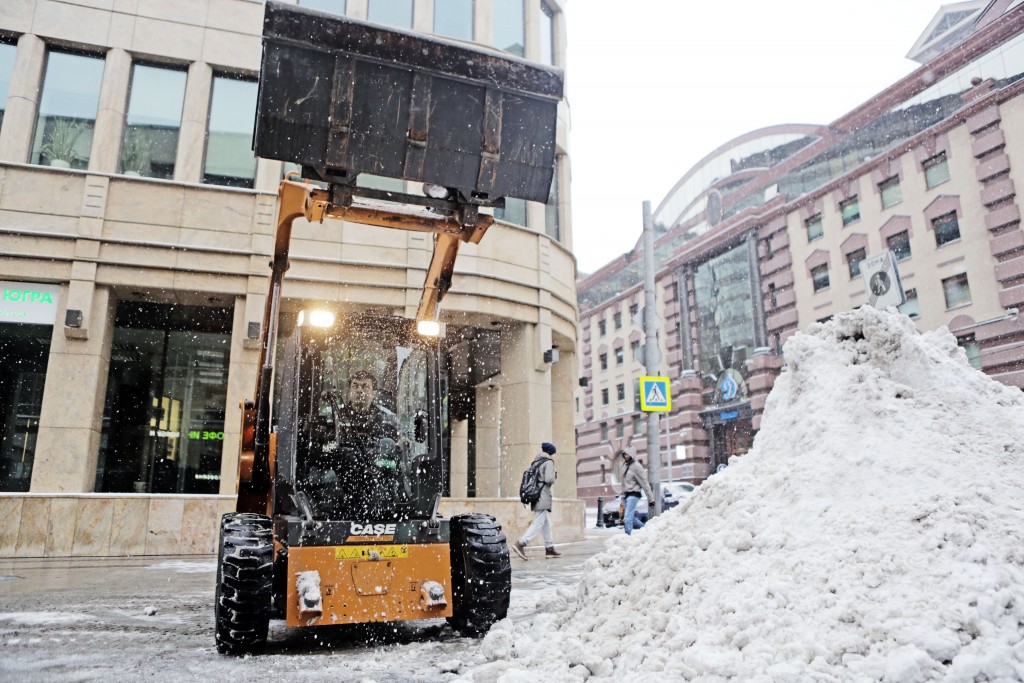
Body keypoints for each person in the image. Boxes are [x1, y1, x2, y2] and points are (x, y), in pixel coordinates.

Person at [318, 370, 405, 518]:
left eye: (365, 387)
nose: (360, 391)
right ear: (349, 391)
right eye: (355, 386)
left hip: (377, 479)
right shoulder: (333, 418)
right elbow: (323, 448)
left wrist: (402, 443)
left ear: (373, 392)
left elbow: (398, 450)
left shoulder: (388, 419)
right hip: (340, 478)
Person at [511, 442, 561, 560]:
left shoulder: (537, 462)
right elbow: (549, 479)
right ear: (550, 453)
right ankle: (521, 543)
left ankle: (549, 548)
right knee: (539, 522)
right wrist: (554, 475)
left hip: (536, 494)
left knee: (546, 523)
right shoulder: (548, 462)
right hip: (543, 495)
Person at [617, 447, 654, 535]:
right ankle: (646, 530)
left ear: (632, 455)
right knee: (631, 518)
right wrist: (622, 494)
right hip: (625, 495)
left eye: (627, 454)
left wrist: (651, 499)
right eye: (624, 454)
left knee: (627, 518)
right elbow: (623, 482)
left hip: (633, 494)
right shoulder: (625, 465)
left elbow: (644, 483)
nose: (625, 456)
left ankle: (627, 536)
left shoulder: (637, 467)